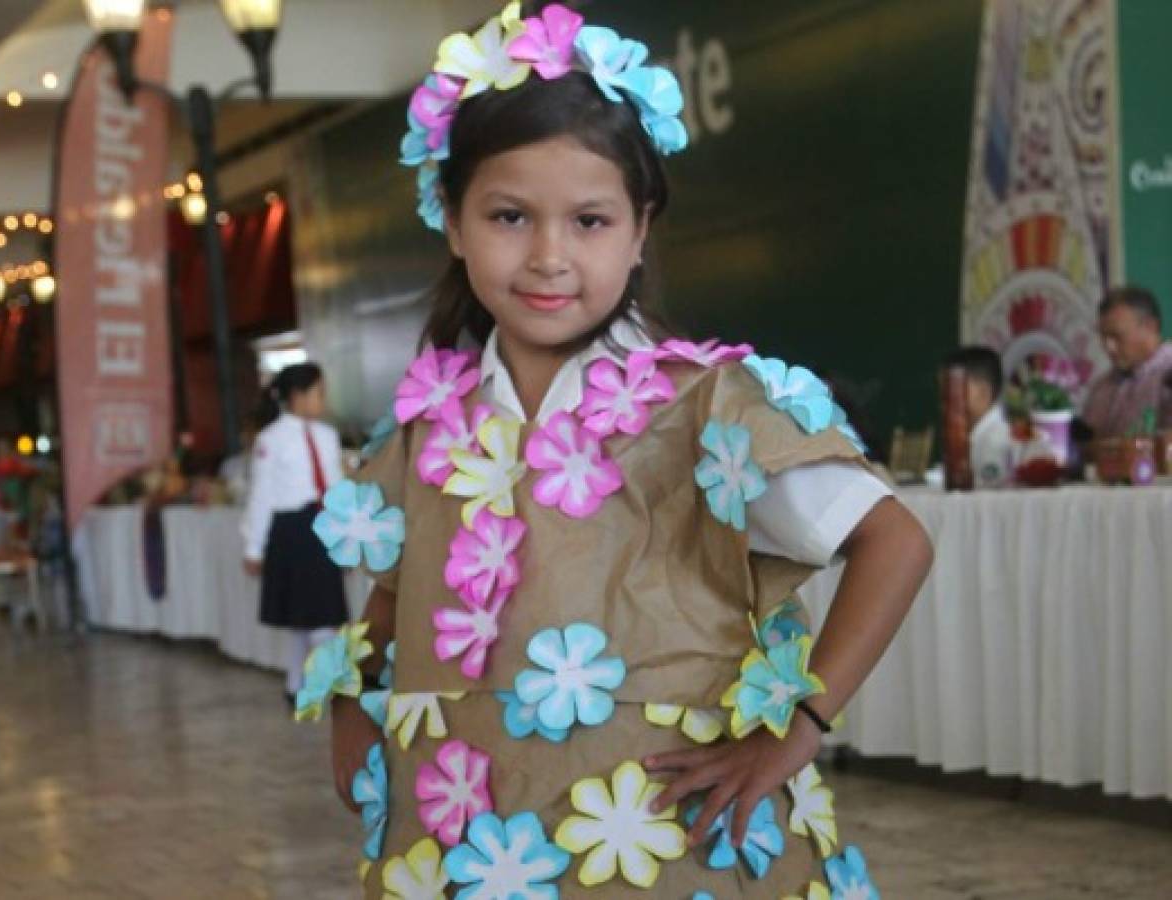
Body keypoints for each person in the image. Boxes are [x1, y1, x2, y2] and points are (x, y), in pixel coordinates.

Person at [319, 5, 932, 896]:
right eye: (508, 216)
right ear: (451, 220)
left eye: (591, 221)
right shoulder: (428, 422)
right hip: (464, 838)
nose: (548, 256)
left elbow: (896, 543)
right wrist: (354, 693)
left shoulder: (708, 409)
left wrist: (798, 724)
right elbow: (401, 579)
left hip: (667, 843)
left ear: (640, 230)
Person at [242, 362, 348, 706]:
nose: (323, 400)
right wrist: (254, 546)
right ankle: (330, 687)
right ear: (297, 396)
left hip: (324, 525)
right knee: (314, 616)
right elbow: (262, 495)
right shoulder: (271, 440)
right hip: (293, 530)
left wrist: (345, 534)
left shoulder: (328, 437)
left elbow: (336, 486)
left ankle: (296, 686)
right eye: (319, 393)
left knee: (315, 614)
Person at [1082, 286, 1172, 437]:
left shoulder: (1168, 376)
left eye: (1117, 336)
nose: (1109, 347)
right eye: (1103, 337)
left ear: (1150, 327)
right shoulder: (1102, 386)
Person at [943, 346, 1012, 488]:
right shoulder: (970, 436)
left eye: (952, 389)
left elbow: (985, 497)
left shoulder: (996, 440)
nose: (945, 399)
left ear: (983, 392)